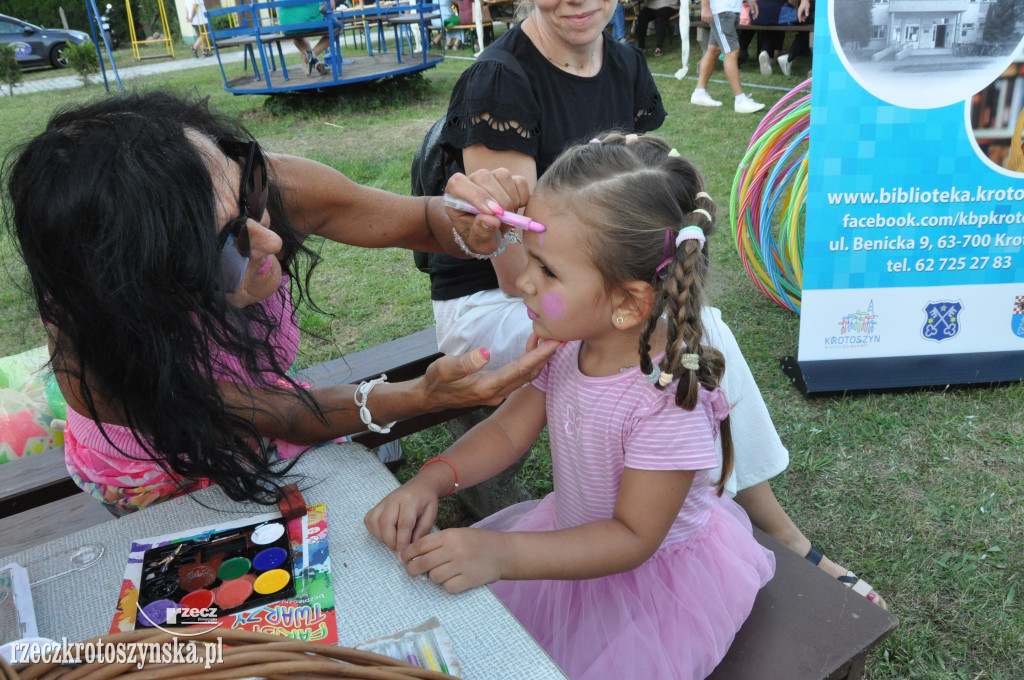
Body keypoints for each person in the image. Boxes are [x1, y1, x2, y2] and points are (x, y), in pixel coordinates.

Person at [426, 0, 885, 608]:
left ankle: (759, 517)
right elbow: (518, 276)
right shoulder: (500, 81)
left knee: (693, 338)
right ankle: (771, 521)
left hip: (588, 288)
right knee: (697, 332)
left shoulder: (626, 64)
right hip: (501, 295)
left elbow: (642, 198)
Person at [1, 91, 558, 516]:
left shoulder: (258, 184)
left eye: (250, 195)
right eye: (224, 246)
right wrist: (420, 394)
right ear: (145, 288)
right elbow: (288, 414)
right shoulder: (104, 359)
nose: (270, 240)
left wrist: (474, 222)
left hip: (263, 403)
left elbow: (420, 220)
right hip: (153, 462)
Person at [366, 134, 776, 680]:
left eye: (549, 271)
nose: (524, 284)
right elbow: (510, 430)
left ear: (628, 304)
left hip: (645, 589)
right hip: (567, 540)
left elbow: (632, 537)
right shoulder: (565, 344)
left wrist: (502, 554)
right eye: (528, 257)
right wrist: (432, 479)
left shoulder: (667, 400)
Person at [690, 0, 766, 113]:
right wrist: (705, 7)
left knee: (714, 49)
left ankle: (699, 93)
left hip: (730, 9)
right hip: (720, 10)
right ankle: (740, 100)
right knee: (732, 51)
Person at [278, 1, 333, 75]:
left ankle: (313, 61)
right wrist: (320, 11)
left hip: (286, 26)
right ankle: (311, 56)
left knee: (296, 36)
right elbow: (331, 6)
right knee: (337, 28)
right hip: (309, 21)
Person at [777, 0, 812, 76]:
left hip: (780, 13)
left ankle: (789, 56)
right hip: (786, 14)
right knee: (812, 23)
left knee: (809, 24)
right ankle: (789, 57)